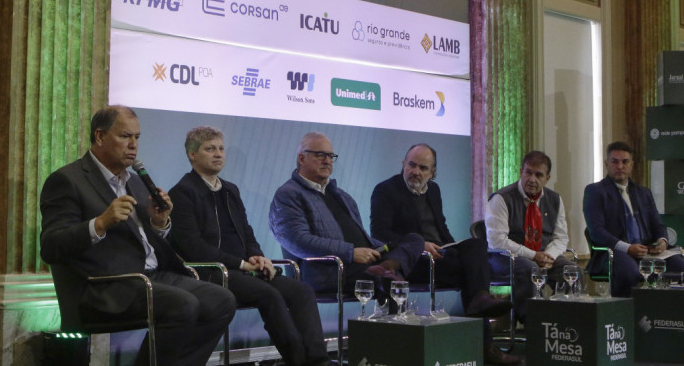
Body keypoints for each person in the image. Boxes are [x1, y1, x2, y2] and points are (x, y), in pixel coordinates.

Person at [40, 106, 236, 366]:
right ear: (99, 137)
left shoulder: (133, 181)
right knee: (183, 304)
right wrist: (99, 224)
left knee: (221, 299)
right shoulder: (68, 180)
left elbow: (145, 240)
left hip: (151, 276)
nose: (133, 145)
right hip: (106, 287)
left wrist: (159, 222)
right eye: (125, 137)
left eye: (137, 137)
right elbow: (51, 246)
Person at [168, 126, 329, 366]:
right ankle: (297, 360)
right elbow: (193, 248)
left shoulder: (230, 190)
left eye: (221, 149)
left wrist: (258, 256)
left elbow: (247, 233)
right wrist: (241, 264)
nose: (218, 154)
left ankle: (318, 361)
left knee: (301, 291)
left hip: (243, 269)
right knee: (269, 294)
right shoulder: (182, 193)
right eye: (210, 149)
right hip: (212, 273)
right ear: (193, 155)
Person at [371, 143, 521, 366]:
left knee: (476, 245)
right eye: (411, 165)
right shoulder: (385, 190)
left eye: (423, 168)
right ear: (403, 164)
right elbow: (380, 234)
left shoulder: (434, 190)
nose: (416, 172)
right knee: (474, 276)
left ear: (432, 173)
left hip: (440, 257)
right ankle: (486, 344)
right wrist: (420, 245)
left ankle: (480, 300)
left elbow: (441, 229)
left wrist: (454, 247)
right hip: (413, 261)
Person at [269, 132, 425, 298]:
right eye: (320, 155)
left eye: (331, 156)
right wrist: (351, 253)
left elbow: (361, 237)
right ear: (302, 158)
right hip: (331, 269)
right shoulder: (288, 194)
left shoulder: (342, 196)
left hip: (364, 261)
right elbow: (299, 241)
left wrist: (384, 249)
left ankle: (385, 268)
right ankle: (386, 276)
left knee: (414, 240)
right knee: (390, 279)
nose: (328, 160)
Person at [583, 141, 684, 297]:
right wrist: (627, 248)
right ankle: (626, 317)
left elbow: (658, 225)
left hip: (648, 251)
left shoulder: (643, 193)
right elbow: (597, 232)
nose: (620, 166)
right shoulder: (595, 191)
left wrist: (662, 240)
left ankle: (669, 316)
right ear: (606, 164)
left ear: (631, 165)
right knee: (630, 273)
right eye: (615, 162)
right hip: (615, 253)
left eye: (625, 162)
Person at [486, 150, 581, 321]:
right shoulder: (501, 198)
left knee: (573, 270)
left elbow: (561, 237)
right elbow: (497, 241)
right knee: (530, 269)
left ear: (547, 178)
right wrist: (534, 256)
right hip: (507, 258)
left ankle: (566, 322)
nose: (532, 179)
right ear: (520, 171)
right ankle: (531, 322)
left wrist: (548, 256)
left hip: (543, 255)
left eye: (539, 175)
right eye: (528, 172)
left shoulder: (554, 200)